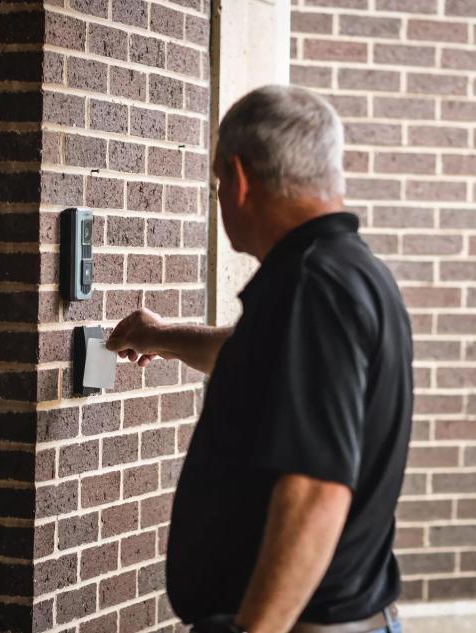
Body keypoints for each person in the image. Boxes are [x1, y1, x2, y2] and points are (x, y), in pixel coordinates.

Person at [106, 85, 412, 633]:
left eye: (217, 184)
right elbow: (259, 362)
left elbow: (316, 490)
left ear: (239, 178)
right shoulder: (352, 274)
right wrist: (162, 336)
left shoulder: (310, 289)